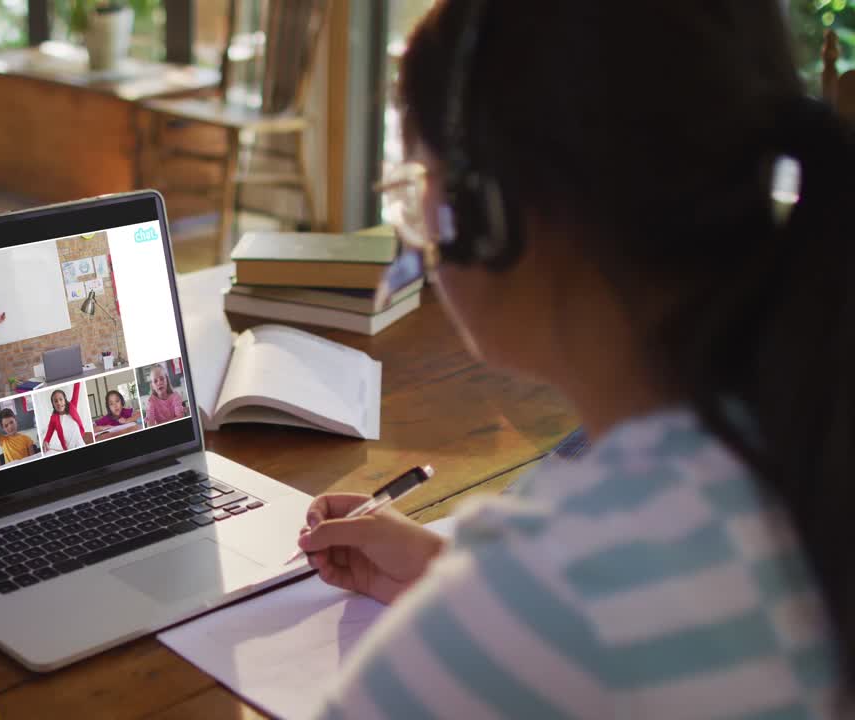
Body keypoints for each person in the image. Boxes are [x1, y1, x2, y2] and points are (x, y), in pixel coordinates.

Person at [297, 2, 851, 717]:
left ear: (491, 211)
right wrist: (454, 581)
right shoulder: (801, 439)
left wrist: (492, 612)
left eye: (419, 185)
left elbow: (585, 608)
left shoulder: (558, 586)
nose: (420, 231)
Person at [42, 388, 87, 453]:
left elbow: (76, 389)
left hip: (81, 445)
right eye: (55, 401)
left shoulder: (72, 407)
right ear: (53, 404)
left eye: (61, 399)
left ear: (65, 400)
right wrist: (45, 442)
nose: (59, 403)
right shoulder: (53, 419)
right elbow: (48, 435)